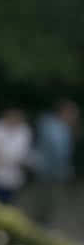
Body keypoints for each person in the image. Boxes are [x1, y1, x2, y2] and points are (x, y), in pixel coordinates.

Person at [24, 99, 79, 230]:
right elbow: (56, 151)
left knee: (50, 201)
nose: (74, 118)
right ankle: (37, 226)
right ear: (64, 112)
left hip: (55, 171)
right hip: (48, 170)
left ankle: (41, 225)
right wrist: (65, 170)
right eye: (73, 114)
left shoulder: (62, 126)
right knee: (43, 199)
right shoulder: (50, 125)